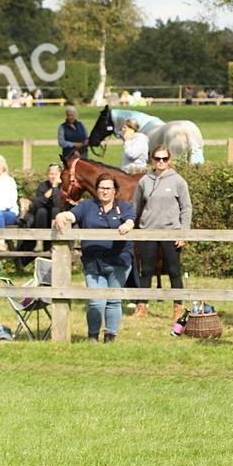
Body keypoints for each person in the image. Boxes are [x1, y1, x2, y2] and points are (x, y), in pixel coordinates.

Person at [55, 174, 136, 342]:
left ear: (115, 191)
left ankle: (110, 336)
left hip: (119, 261)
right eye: (102, 188)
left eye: (108, 188)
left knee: (114, 300)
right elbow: (72, 216)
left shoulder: (124, 207)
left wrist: (126, 226)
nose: (105, 192)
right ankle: (93, 335)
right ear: (96, 190)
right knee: (96, 301)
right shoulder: (87, 206)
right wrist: (61, 216)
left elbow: (130, 221)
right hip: (93, 261)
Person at [130, 146, 191, 323]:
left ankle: (178, 308)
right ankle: (142, 306)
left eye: (164, 158)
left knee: (173, 270)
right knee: (146, 270)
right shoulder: (144, 181)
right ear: (152, 160)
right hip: (148, 231)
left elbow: (186, 208)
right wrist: (129, 225)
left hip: (171, 231)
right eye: (158, 158)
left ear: (169, 160)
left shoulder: (178, 181)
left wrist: (183, 233)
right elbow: (135, 207)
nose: (161, 162)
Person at [25, 163, 64, 250]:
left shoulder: (63, 186)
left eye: (56, 174)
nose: (53, 177)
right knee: (41, 211)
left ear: (60, 175)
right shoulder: (43, 186)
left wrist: (56, 188)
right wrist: (52, 189)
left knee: (55, 210)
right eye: (51, 174)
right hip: (42, 219)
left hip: (57, 216)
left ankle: (55, 242)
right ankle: (39, 242)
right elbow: (36, 205)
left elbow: (57, 203)